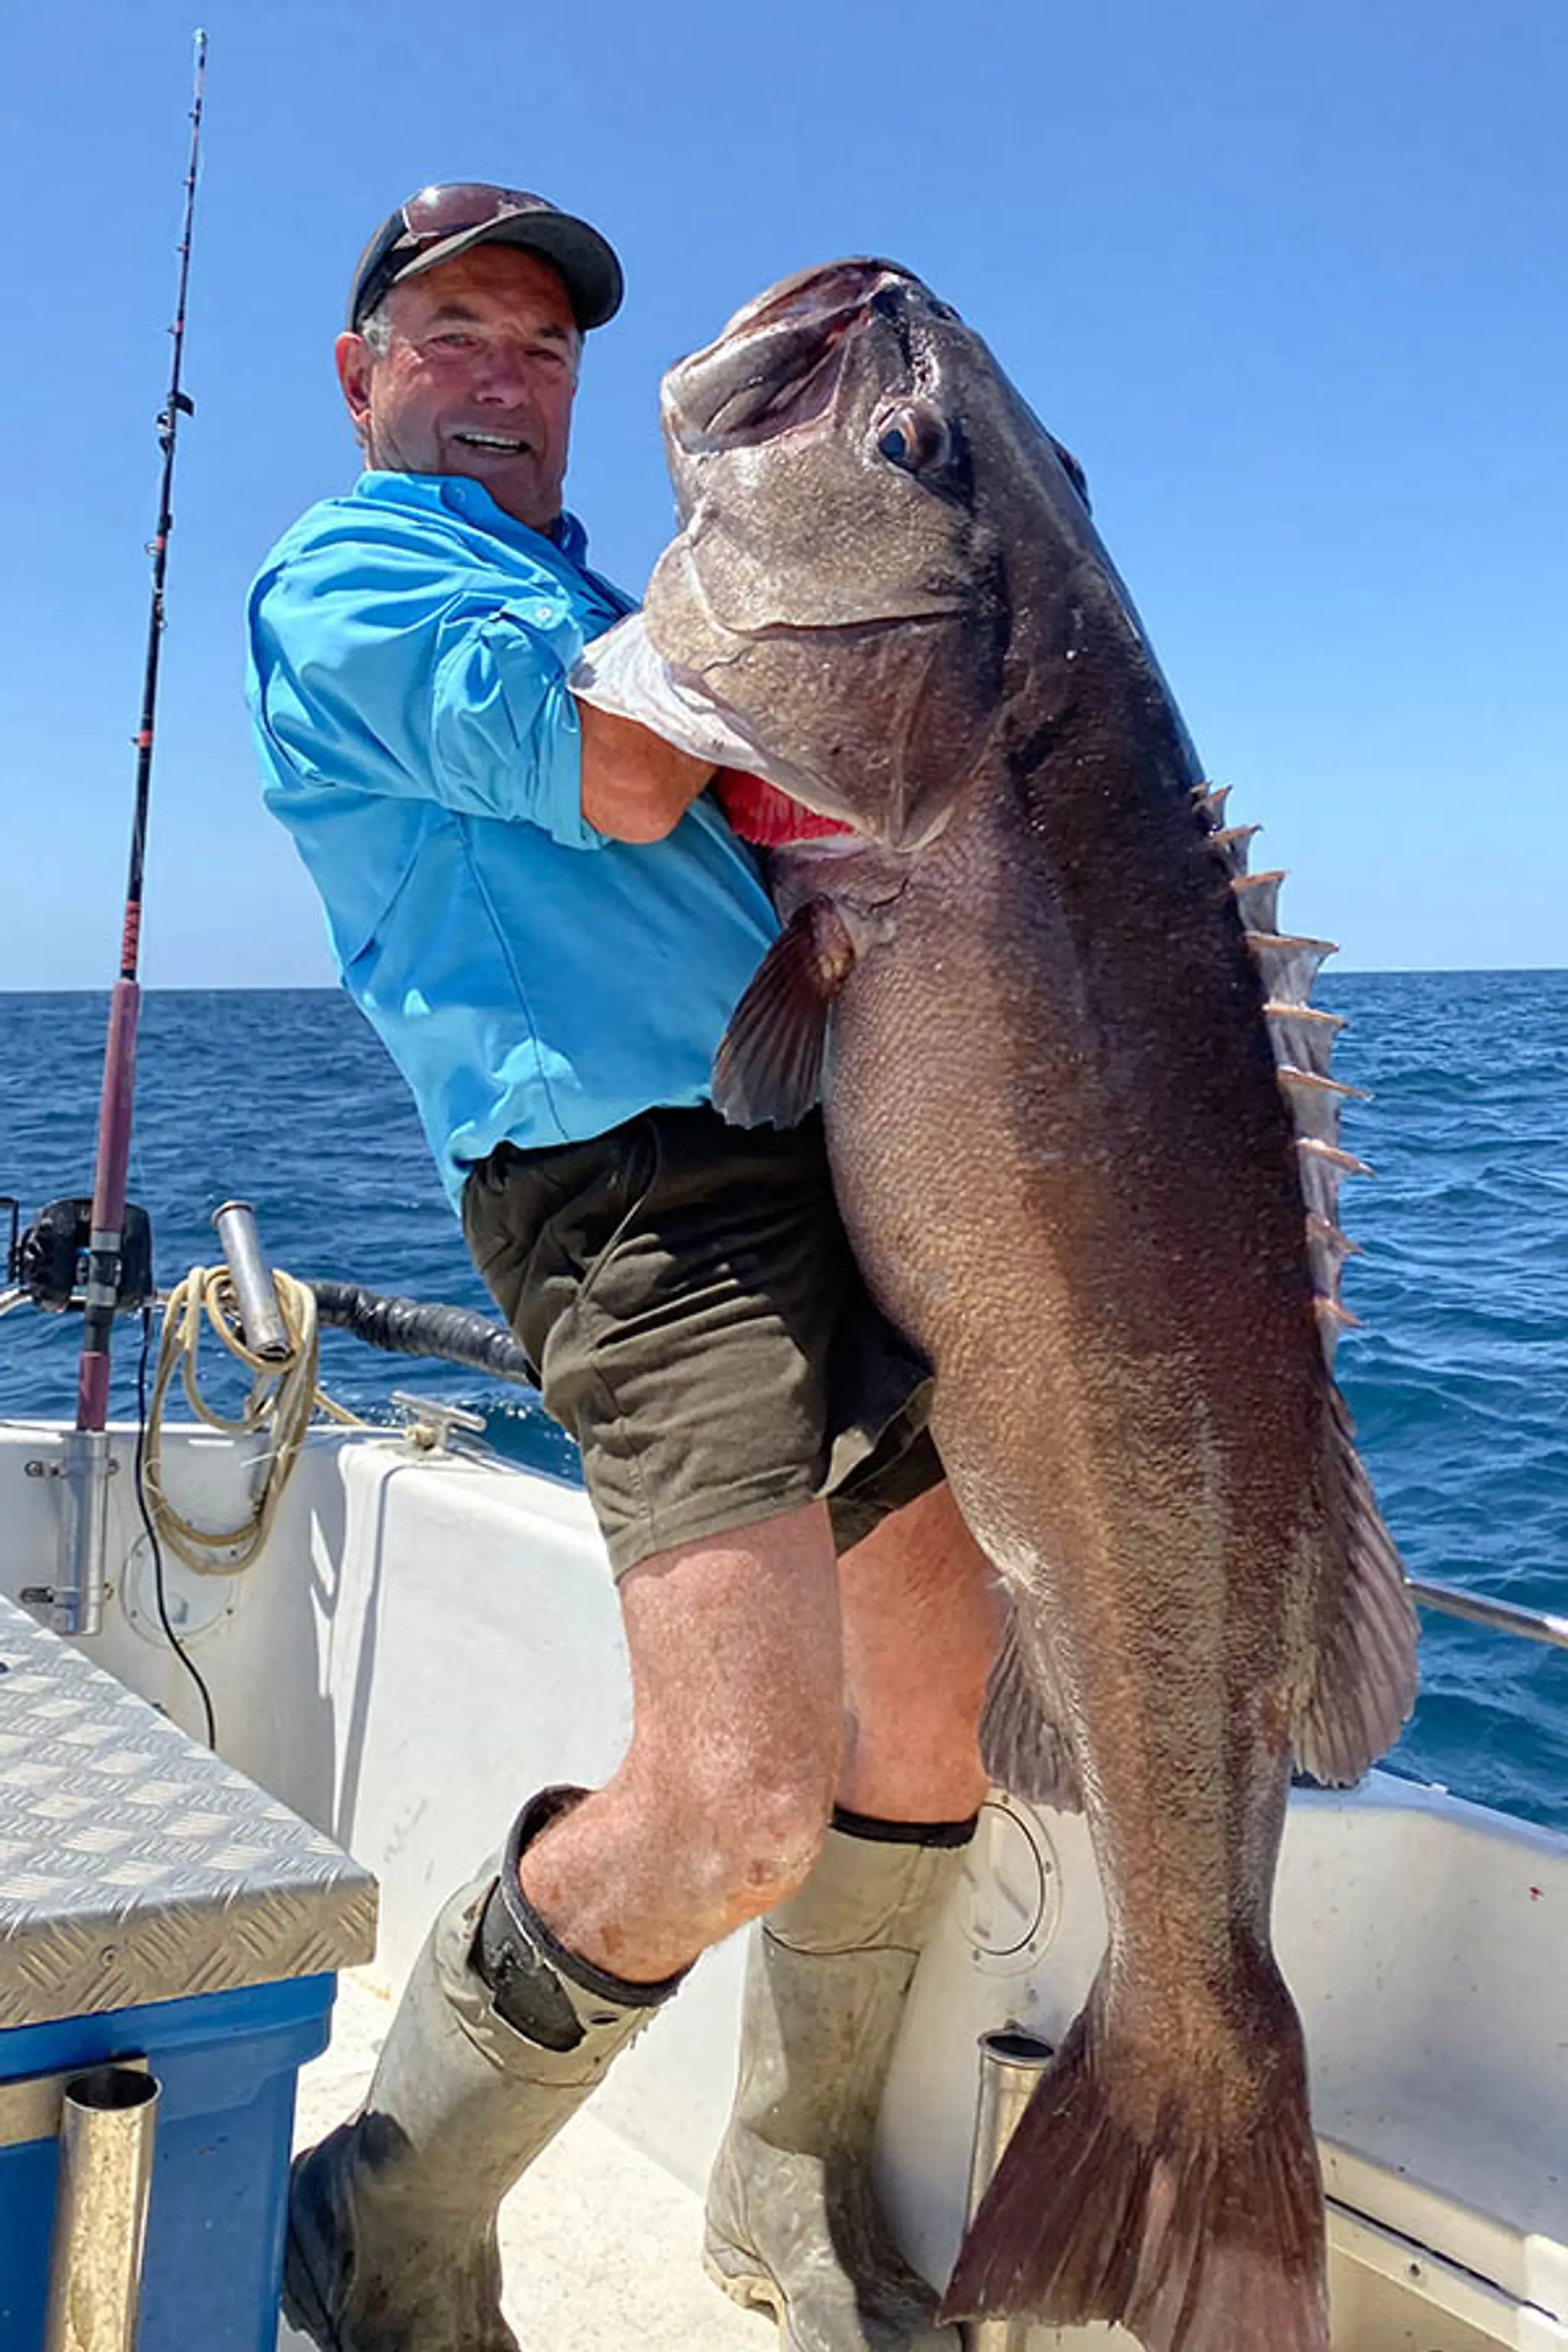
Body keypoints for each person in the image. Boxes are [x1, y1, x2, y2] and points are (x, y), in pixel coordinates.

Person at [247, 184, 1002, 2352]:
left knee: (932, 1723)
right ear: (361, 370)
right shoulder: (357, 571)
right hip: (641, 1206)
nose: (504, 374)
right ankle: (373, 2240)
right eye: (456, 332)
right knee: (741, 1799)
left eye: (541, 347)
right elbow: (612, 756)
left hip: (826, 1156)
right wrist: (852, 542)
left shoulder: (581, 581)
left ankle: (789, 2185)